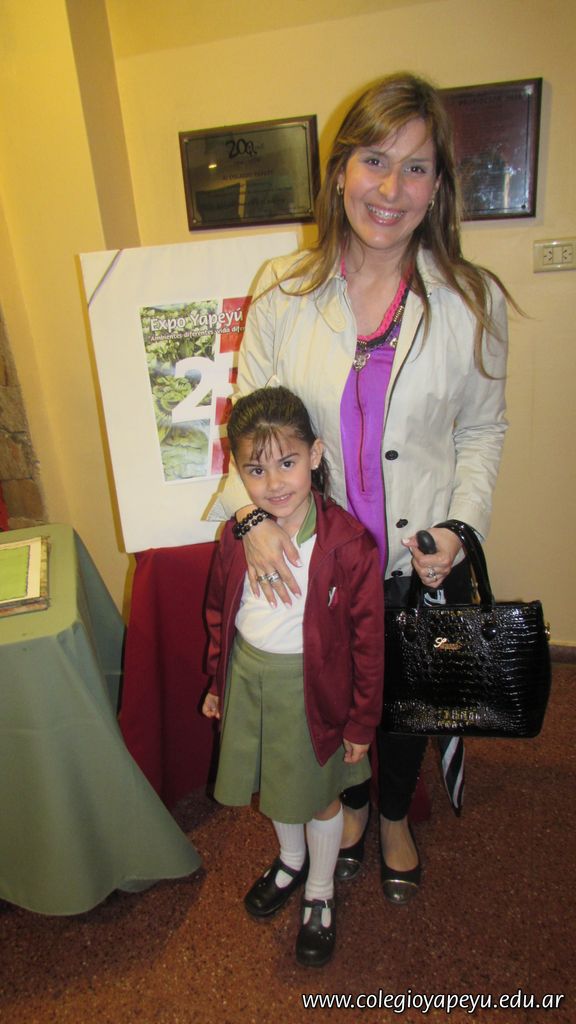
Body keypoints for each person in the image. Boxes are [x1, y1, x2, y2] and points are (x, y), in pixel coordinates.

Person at [216, 71, 511, 904]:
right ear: (341, 170)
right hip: (322, 559)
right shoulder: (284, 289)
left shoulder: (470, 299)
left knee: (407, 700)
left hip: (418, 557)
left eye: (416, 168)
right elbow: (250, 430)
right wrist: (250, 520)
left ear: (439, 186)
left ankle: (391, 816)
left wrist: (462, 527)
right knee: (331, 696)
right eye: (374, 160)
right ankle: (346, 805)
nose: (390, 189)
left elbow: (483, 432)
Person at [203, 385, 384, 966]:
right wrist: (217, 683)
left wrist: (362, 722)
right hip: (250, 679)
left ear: (316, 455)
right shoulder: (237, 535)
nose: (275, 483)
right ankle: (291, 860)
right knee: (278, 786)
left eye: (288, 462)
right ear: (239, 473)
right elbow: (220, 611)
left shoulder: (350, 546)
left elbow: (368, 645)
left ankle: (321, 890)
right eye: (256, 470)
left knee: (321, 798)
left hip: (313, 692)